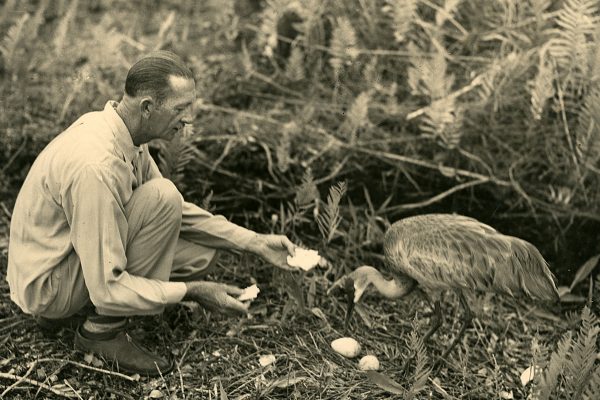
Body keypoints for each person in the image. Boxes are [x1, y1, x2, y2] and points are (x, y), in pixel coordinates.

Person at [7, 50, 298, 376]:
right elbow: (108, 285)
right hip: (48, 285)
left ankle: (79, 310)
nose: (189, 120)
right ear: (147, 107)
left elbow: (177, 213)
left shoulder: (121, 129)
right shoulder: (97, 165)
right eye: (180, 110)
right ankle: (102, 332)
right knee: (163, 197)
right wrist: (193, 291)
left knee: (199, 252)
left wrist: (254, 242)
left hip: (59, 258)